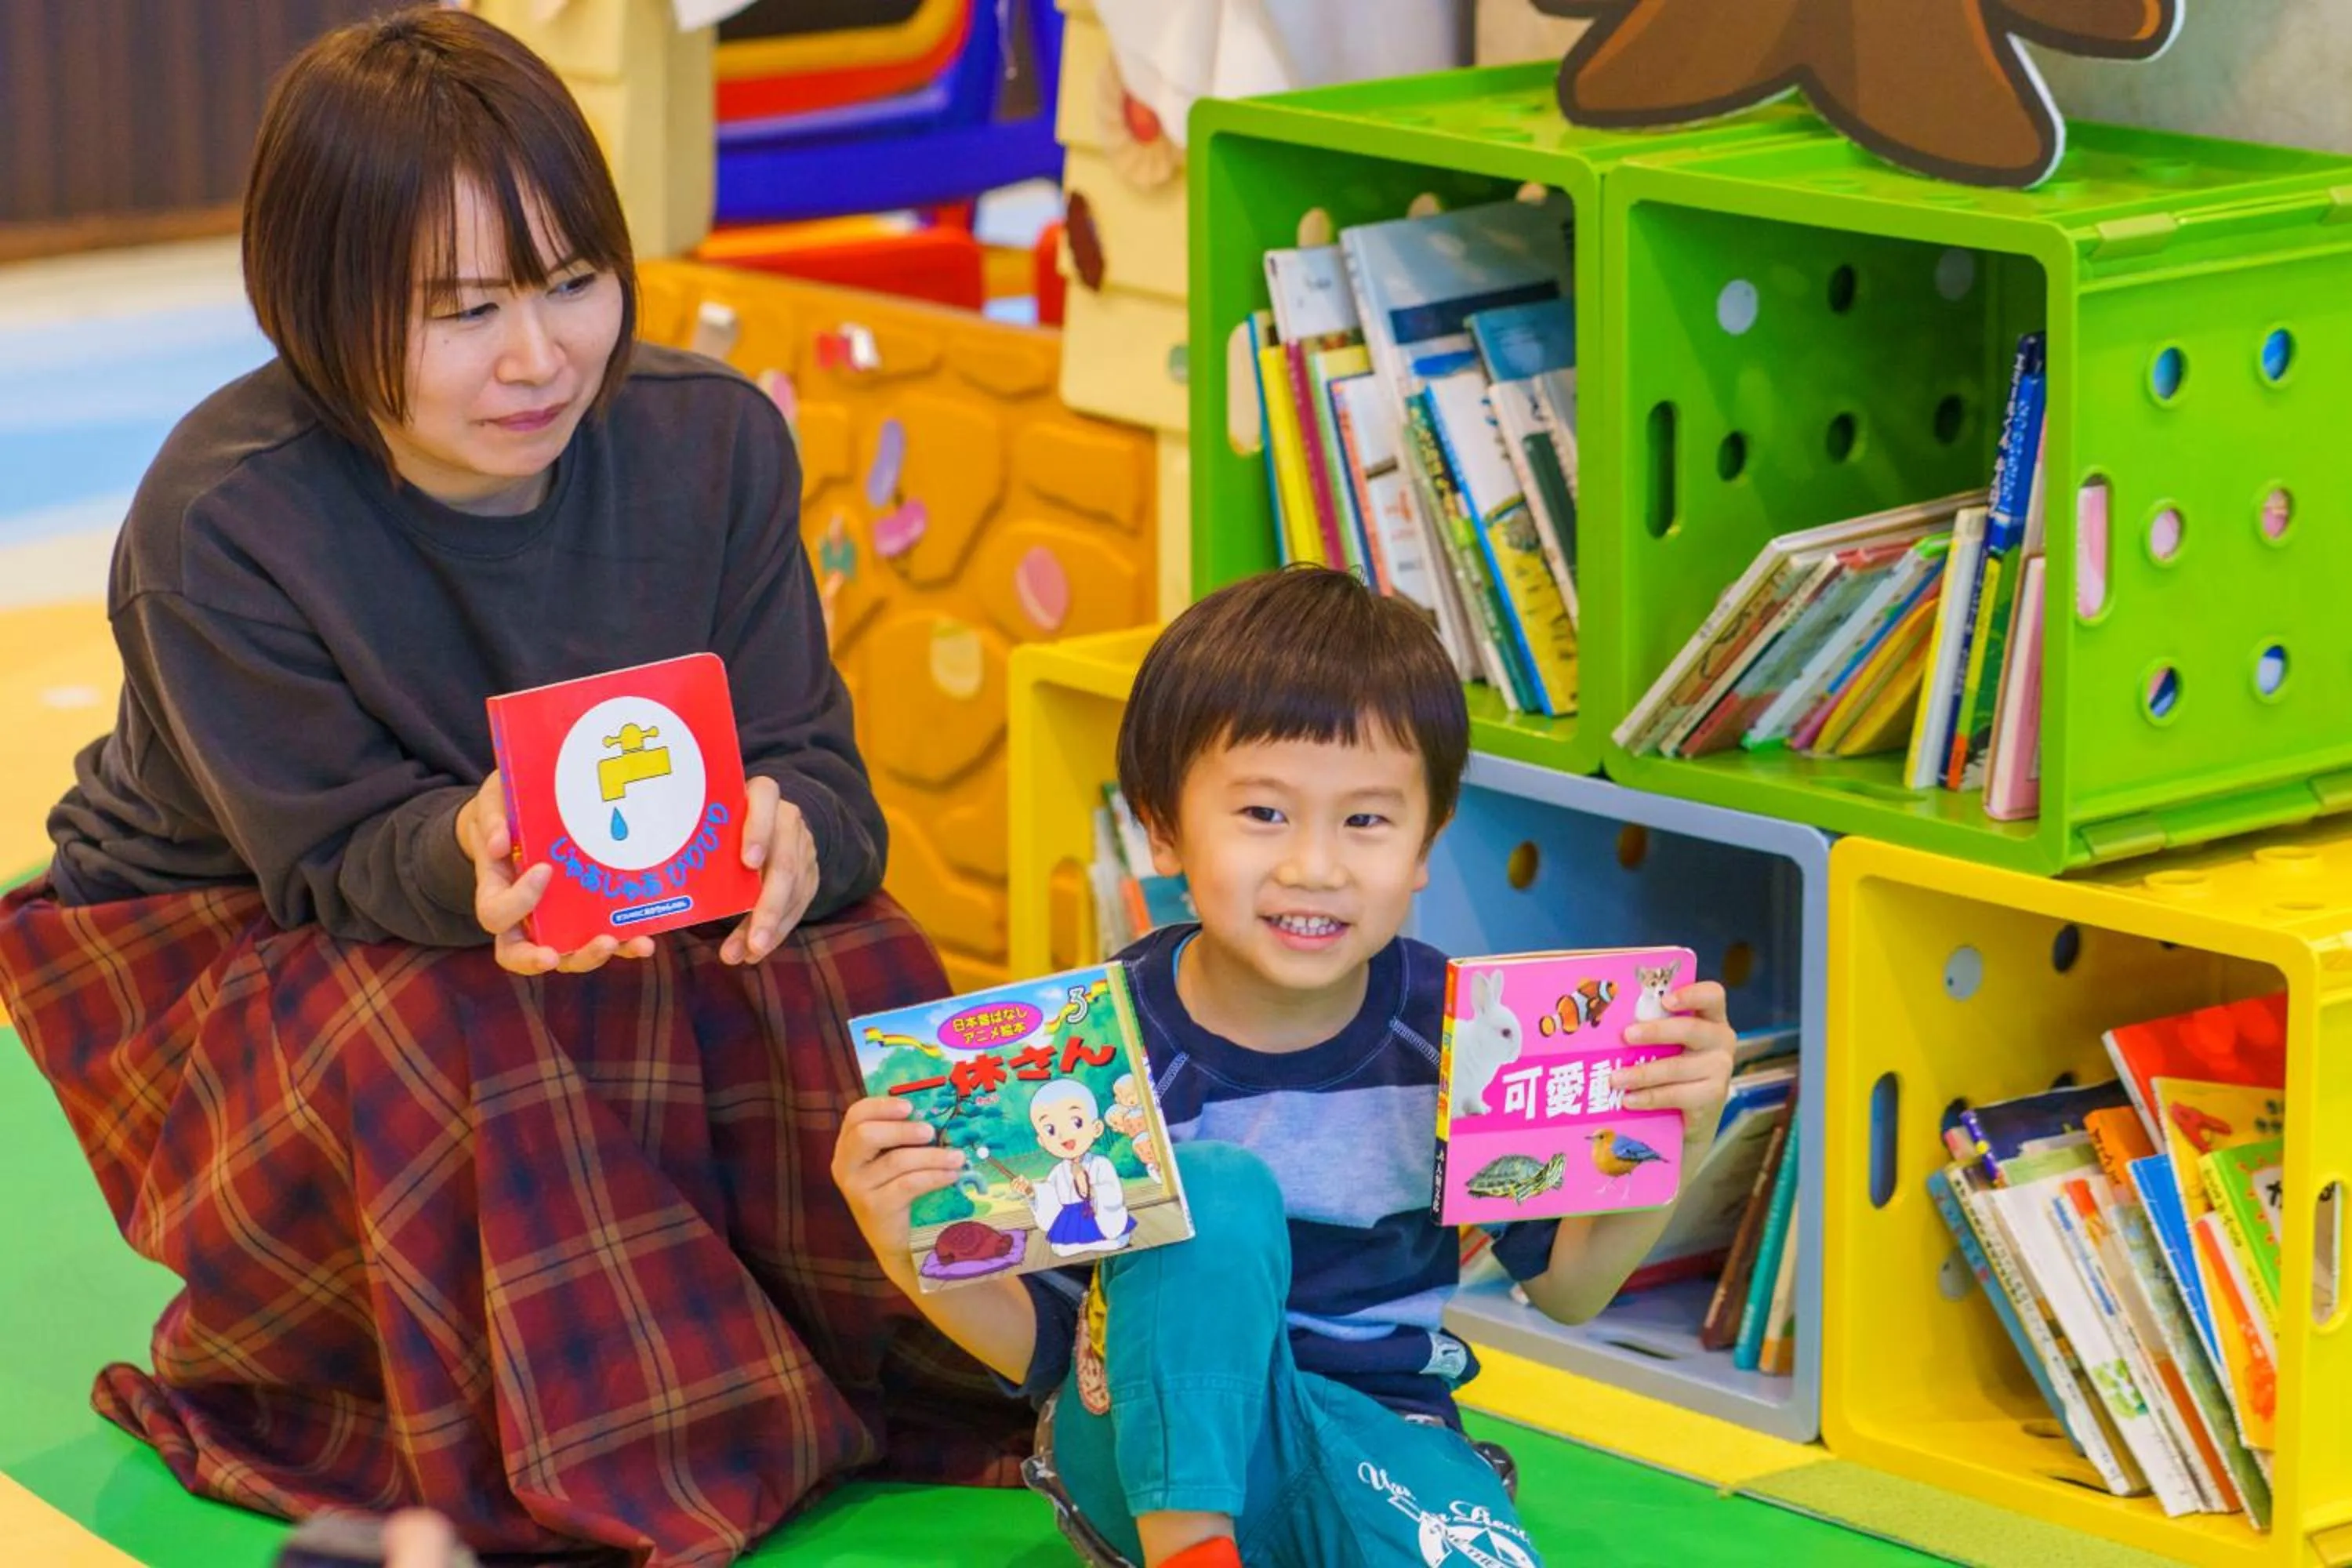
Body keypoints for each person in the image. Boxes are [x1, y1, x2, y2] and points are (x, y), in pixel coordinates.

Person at [0, 10, 1024, 1564]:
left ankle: (955, 1342)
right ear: (318, 307)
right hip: (234, 941)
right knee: (458, 1016)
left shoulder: (712, 442)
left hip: (601, 879)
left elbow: (812, 758)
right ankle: (641, 1442)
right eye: (465, 311)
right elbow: (326, 858)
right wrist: (460, 862)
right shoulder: (225, 519)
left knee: (854, 950)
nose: (539, 357)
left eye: (572, 281)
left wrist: (799, 834)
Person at [833, 567, 1740, 1568]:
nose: (1316, 866)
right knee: (1216, 1193)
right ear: (1162, 826)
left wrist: (1668, 1141)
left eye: (1366, 820)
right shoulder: (1092, 1052)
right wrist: (905, 1239)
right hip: (1140, 1453)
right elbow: (1046, 1350)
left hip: (1373, 1429)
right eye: (1264, 813)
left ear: (1427, 842)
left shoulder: (1464, 1035)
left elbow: (1567, 1290)